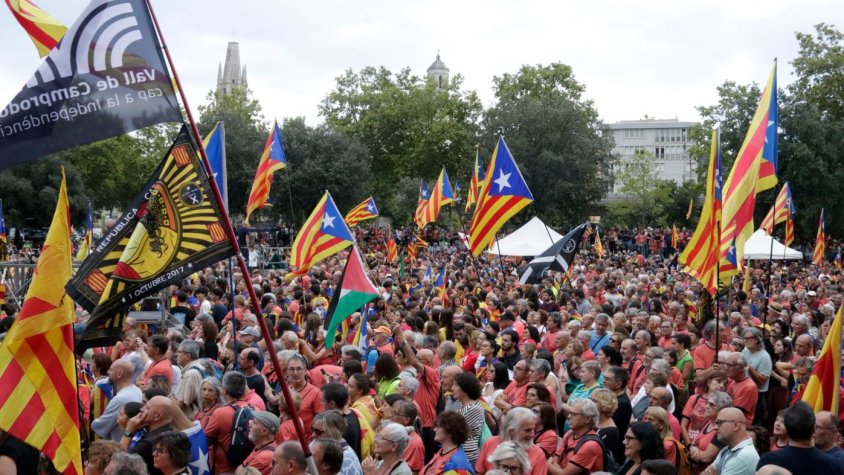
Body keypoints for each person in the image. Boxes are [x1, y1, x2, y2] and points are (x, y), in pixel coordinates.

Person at [757, 402, 844, 473]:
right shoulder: (832, 464)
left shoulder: (769, 460)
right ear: (813, 429)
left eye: (819, 427)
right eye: (816, 427)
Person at [204, 371, 253, 474]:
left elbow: (205, 440)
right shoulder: (252, 409)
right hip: (244, 469)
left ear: (225, 391)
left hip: (222, 470)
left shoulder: (220, 413)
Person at [475, 407, 548, 474]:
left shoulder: (538, 454)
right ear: (511, 431)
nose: (532, 434)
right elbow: (479, 472)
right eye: (527, 430)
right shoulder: (490, 442)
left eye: (533, 429)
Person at [92, 359, 143, 442]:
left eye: (111, 369)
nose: (108, 372)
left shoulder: (121, 398)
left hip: (118, 444)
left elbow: (99, 426)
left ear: (119, 374)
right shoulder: (137, 390)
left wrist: (93, 422)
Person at [550, 398, 606, 474]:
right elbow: (556, 459)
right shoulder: (569, 433)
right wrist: (557, 469)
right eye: (570, 413)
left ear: (587, 419)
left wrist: (546, 462)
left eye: (574, 414)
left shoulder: (590, 445)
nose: (569, 417)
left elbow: (564, 474)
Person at [124, 396, 176, 475]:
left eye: (147, 408)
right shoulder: (168, 431)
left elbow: (119, 462)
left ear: (158, 415)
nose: (141, 409)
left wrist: (128, 431)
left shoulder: (151, 442)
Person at [703, 407, 758, 475]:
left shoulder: (743, 455)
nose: (715, 427)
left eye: (720, 423)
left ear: (736, 426)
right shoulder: (726, 449)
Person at [688, 391, 732, 471]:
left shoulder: (721, 431)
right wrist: (692, 447)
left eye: (711, 405)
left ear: (722, 410)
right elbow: (694, 442)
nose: (706, 406)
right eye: (707, 403)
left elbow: (706, 458)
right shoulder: (709, 421)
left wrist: (691, 449)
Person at [312, 410, 363, 475]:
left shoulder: (346, 459)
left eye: (317, 432)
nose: (313, 435)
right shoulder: (318, 443)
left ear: (333, 432)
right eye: (313, 430)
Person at [452, 372, 485, 465]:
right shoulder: (464, 405)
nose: (452, 388)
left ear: (465, 389)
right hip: (461, 454)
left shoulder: (472, 408)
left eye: (455, 385)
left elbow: (452, 430)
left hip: (468, 457)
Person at [592, 388, 624, 465]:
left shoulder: (611, 431)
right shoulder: (594, 420)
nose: (590, 403)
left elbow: (602, 457)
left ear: (604, 405)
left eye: (594, 401)